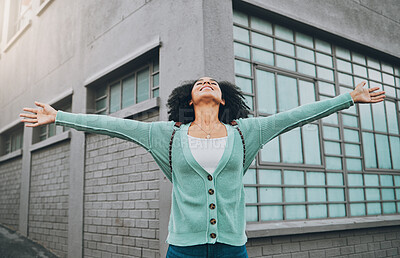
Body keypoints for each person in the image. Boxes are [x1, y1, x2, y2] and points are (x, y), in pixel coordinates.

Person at [20, 77, 385, 258]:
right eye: (199, 84)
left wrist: (348, 98)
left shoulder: (247, 132)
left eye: (212, 83)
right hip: (183, 248)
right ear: (189, 99)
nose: (205, 82)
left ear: (222, 98)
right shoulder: (166, 135)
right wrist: (59, 117)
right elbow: (114, 126)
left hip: (232, 247)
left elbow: (295, 117)